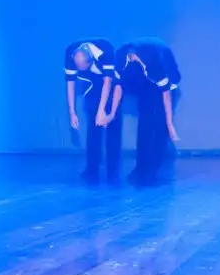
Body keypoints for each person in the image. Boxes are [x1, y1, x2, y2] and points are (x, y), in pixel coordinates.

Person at [116, 38, 181, 184]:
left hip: (166, 84)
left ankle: (154, 167)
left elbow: (166, 94)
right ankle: (141, 167)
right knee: (144, 124)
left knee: (159, 125)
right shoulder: (121, 58)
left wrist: (169, 124)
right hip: (144, 84)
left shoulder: (156, 62)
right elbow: (119, 86)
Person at [64, 39, 124, 183]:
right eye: (77, 66)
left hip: (113, 84)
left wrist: (102, 110)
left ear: (90, 61)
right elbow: (70, 83)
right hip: (92, 85)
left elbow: (108, 82)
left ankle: (113, 169)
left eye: (82, 66)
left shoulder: (106, 51)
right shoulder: (70, 52)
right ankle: (92, 168)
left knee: (112, 124)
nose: (79, 69)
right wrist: (72, 112)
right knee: (93, 125)